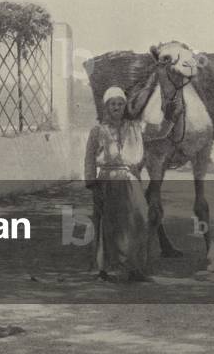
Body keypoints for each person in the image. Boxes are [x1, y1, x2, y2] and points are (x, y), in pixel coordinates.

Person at [84, 86, 150, 282]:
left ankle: (135, 268)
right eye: (113, 104)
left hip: (130, 178)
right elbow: (89, 159)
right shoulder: (97, 131)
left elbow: (157, 133)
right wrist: (91, 183)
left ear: (124, 106)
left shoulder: (134, 128)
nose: (117, 107)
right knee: (108, 224)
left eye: (120, 104)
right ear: (106, 107)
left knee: (140, 218)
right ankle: (104, 270)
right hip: (107, 179)